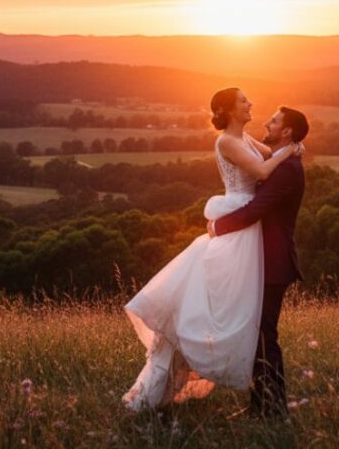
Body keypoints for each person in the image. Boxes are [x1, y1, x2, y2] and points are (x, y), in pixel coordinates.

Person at [122, 87, 301, 411]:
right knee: (216, 309)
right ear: (231, 110)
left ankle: (265, 402)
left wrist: (291, 148)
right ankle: (173, 380)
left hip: (247, 230)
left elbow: (270, 156)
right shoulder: (227, 141)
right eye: (245, 101)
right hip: (238, 224)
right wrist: (290, 151)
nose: (251, 104)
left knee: (251, 321)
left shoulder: (245, 139)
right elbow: (263, 170)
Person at [208, 104, 308, 418]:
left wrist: (218, 226)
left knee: (266, 337)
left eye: (275, 121)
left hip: (274, 264)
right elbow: (260, 157)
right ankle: (261, 406)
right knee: (258, 336)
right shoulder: (280, 159)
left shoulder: (288, 170)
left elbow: (257, 209)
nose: (268, 121)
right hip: (259, 260)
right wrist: (292, 148)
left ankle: (273, 410)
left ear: (287, 130)